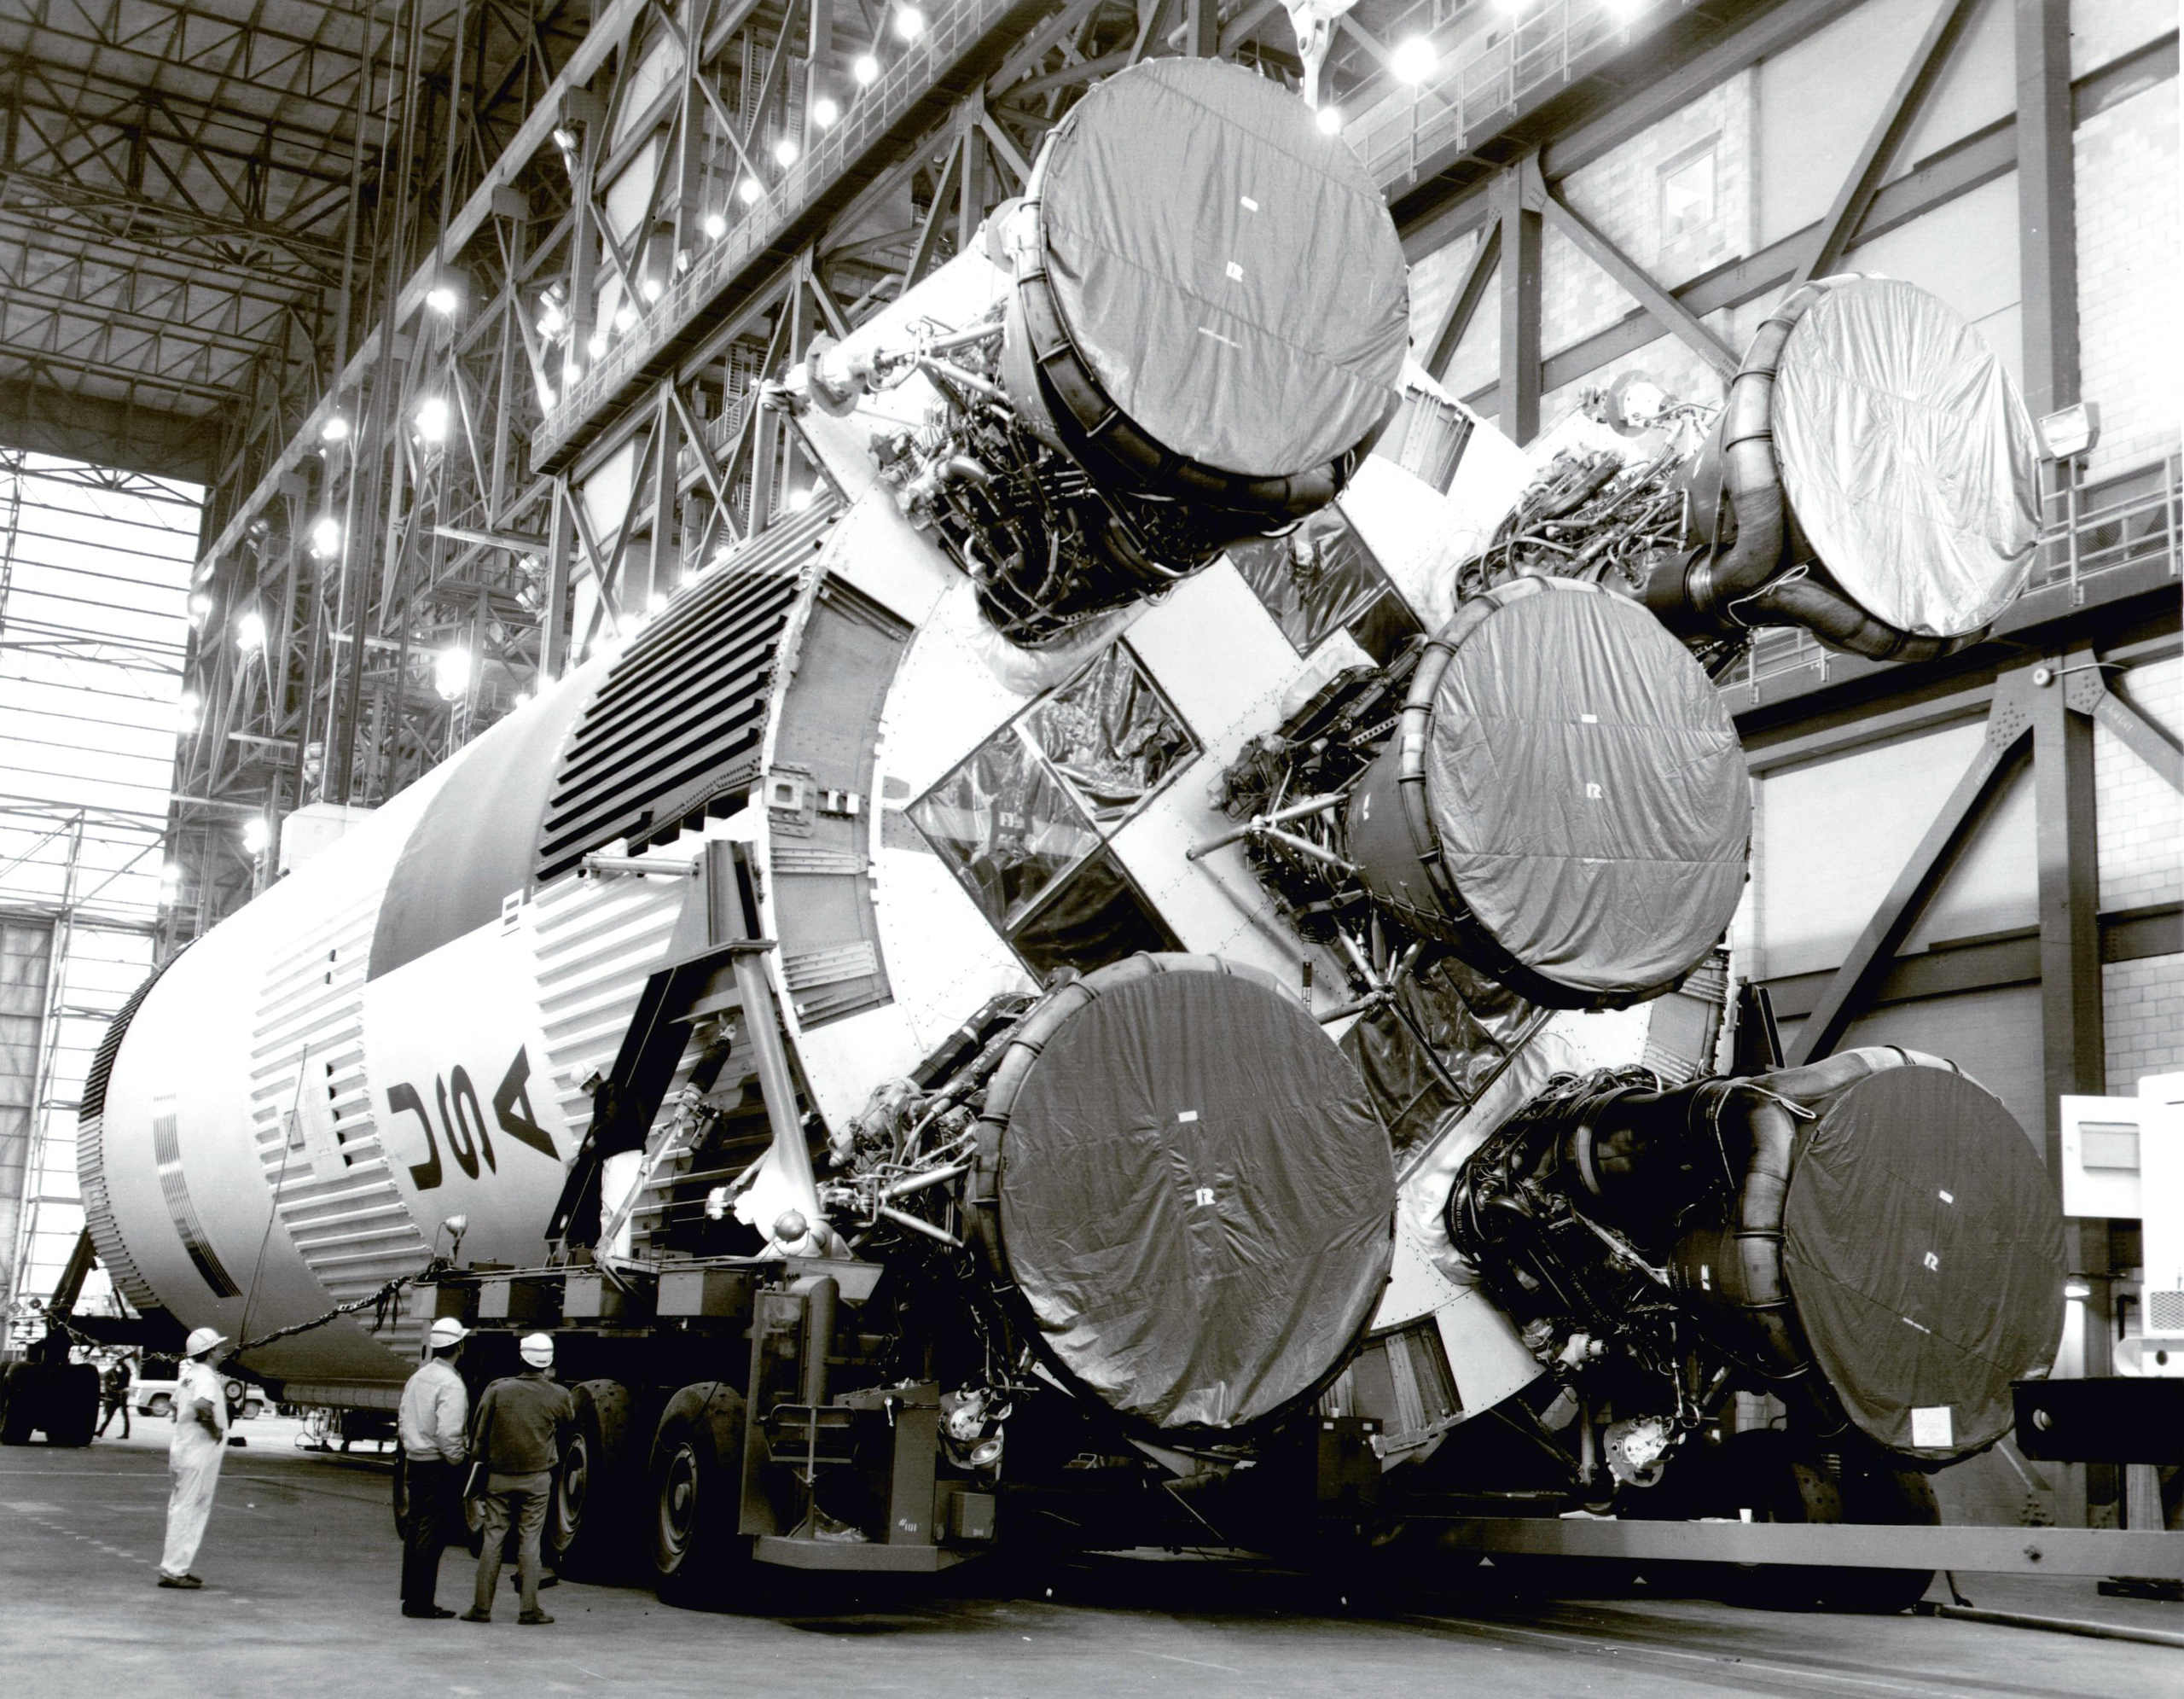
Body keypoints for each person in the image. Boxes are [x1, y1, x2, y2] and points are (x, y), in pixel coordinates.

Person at [463, 1333, 573, 1626]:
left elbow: (479, 1438)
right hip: (537, 1480)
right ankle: (528, 1609)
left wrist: (475, 1477)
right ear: (548, 1363)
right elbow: (567, 1423)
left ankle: (481, 1608)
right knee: (530, 1541)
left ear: (521, 1357)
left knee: (493, 1540)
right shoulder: (559, 1394)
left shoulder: (497, 1390)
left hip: (498, 1479)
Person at [397, 1317, 471, 1619]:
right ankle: (421, 1603)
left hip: (415, 1460)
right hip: (436, 1467)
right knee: (431, 1535)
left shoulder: (419, 1377)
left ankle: (412, 1598)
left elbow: (403, 1418)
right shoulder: (451, 1384)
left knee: (416, 1531)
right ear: (460, 1346)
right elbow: (448, 1432)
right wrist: (458, 1461)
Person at [155, 1327, 229, 1589]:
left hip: (183, 1448)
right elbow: (201, 1406)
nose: (222, 1351)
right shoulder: (207, 1378)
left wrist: (185, 1425)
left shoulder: (189, 1376)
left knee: (180, 1507)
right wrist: (215, 1431)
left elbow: (177, 1405)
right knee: (191, 1510)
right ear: (210, 1352)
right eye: (218, 1348)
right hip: (199, 1452)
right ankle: (174, 1570)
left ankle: (174, 1567)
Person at [96, 1354, 131, 1439]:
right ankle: (101, 1431)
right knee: (110, 1414)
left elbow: (121, 1380)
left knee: (123, 1416)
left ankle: (126, 1433)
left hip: (121, 1396)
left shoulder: (126, 1371)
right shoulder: (119, 1371)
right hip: (117, 1395)